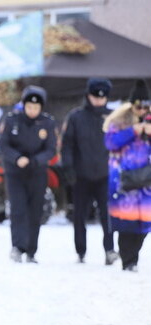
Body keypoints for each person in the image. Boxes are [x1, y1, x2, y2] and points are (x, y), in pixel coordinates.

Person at [61, 78, 118, 265]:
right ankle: (80, 250)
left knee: (107, 215)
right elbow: (67, 145)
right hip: (81, 175)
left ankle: (110, 250)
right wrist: (68, 168)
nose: (99, 100)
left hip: (106, 175)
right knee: (79, 216)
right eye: (95, 96)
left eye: (102, 98)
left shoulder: (112, 118)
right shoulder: (76, 117)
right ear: (88, 95)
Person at [0, 86, 57, 263]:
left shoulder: (47, 123)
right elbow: (4, 145)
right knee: (18, 209)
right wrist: (17, 158)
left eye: (36, 108)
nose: (32, 111)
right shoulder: (12, 120)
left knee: (35, 211)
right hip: (15, 172)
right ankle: (18, 246)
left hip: (37, 172)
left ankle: (31, 250)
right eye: (29, 107)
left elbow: (51, 149)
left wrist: (35, 161)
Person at [103, 79, 150, 272]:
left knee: (145, 223)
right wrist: (133, 131)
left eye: (146, 105)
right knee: (126, 223)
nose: (143, 110)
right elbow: (110, 143)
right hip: (123, 180)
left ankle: (133, 256)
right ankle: (128, 260)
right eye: (139, 106)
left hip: (146, 181)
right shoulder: (119, 122)